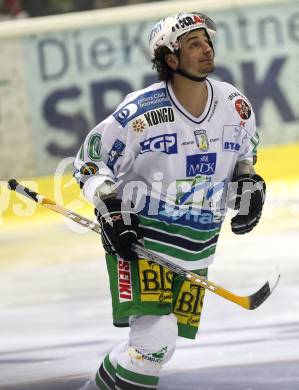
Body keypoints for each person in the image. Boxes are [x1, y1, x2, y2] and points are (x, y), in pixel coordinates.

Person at [74, 11, 266, 390]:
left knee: (155, 347)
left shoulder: (235, 104)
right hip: (142, 244)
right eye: (194, 43)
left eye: (207, 41)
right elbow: (88, 162)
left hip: (197, 248)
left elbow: (246, 152)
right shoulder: (140, 112)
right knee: (153, 344)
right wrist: (111, 207)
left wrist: (247, 183)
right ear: (170, 58)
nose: (206, 48)